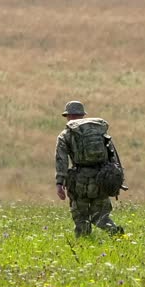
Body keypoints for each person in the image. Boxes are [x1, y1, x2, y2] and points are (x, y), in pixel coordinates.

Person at [55, 100, 125, 237]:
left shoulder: (65, 135)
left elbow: (61, 160)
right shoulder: (99, 132)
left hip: (79, 182)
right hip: (101, 179)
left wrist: (59, 183)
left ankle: (84, 244)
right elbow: (112, 155)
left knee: (81, 219)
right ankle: (119, 236)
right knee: (101, 217)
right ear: (82, 115)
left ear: (67, 116)